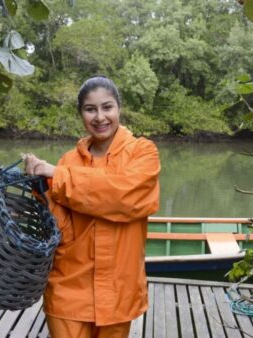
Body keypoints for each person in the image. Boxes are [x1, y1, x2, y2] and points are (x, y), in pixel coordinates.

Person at [23, 76, 160, 338]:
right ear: (81, 114)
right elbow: (58, 224)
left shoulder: (144, 153)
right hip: (69, 288)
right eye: (90, 109)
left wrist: (58, 176)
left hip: (119, 290)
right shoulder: (67, 161)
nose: (100, 117)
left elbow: (124, 197)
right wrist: (39, 187)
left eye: (107, 107)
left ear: (119, 108)